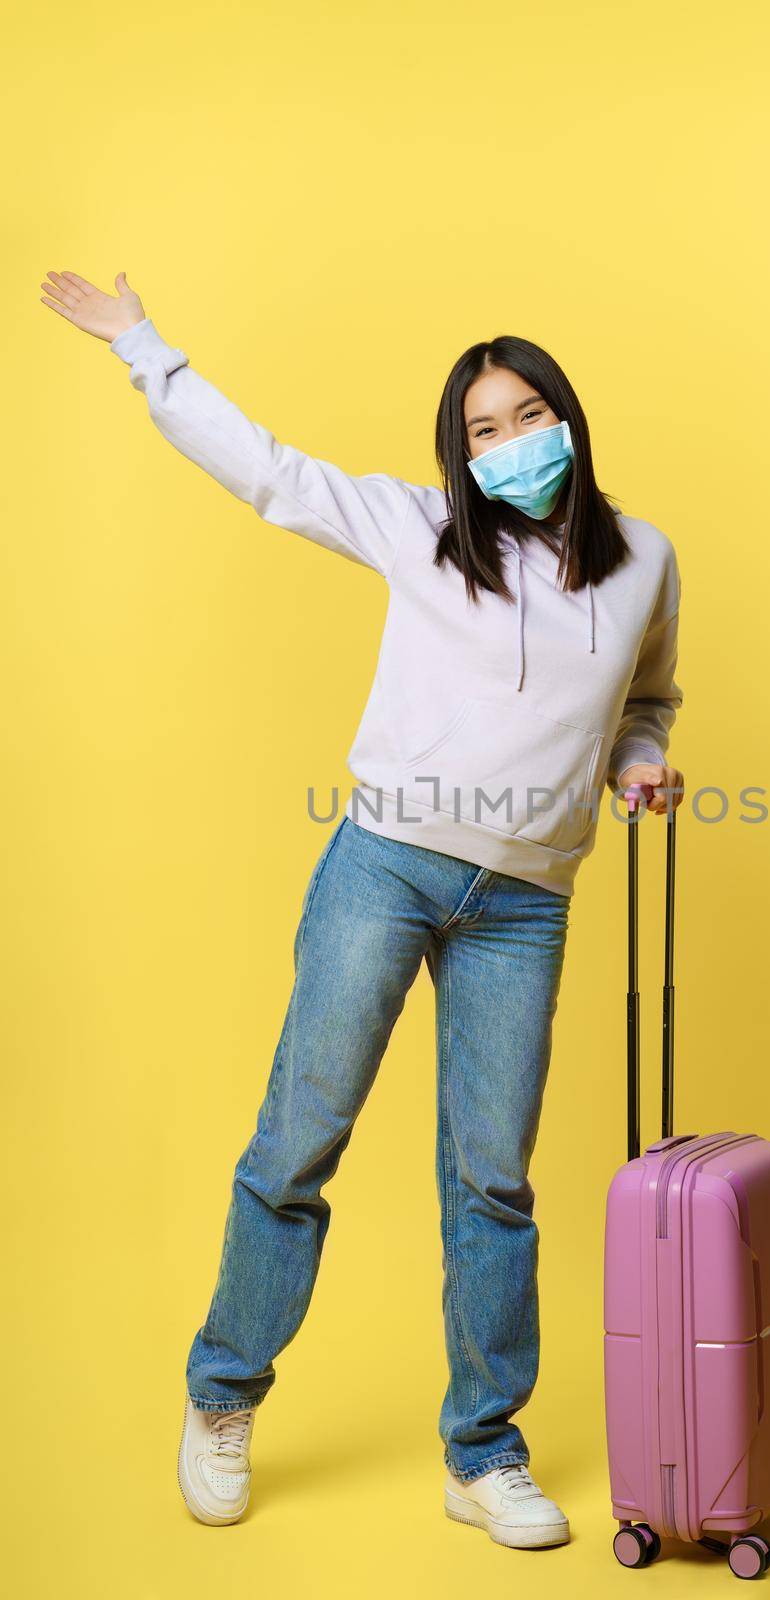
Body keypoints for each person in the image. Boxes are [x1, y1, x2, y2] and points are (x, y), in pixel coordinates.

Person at [39, 268, 685, 1549]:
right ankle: (221, 1395)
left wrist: (638, 763)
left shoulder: (645, 561)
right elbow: (270, 471)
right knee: (298, 1143)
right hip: (384, 865)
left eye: (526, 414)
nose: (507, 442)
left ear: (569, 415)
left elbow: (649, 700)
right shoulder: (414, 527)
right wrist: (144, 348)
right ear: (457, 451)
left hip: (527, 905)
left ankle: (482, 1451)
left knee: (491, 1183)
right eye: (480, 429)